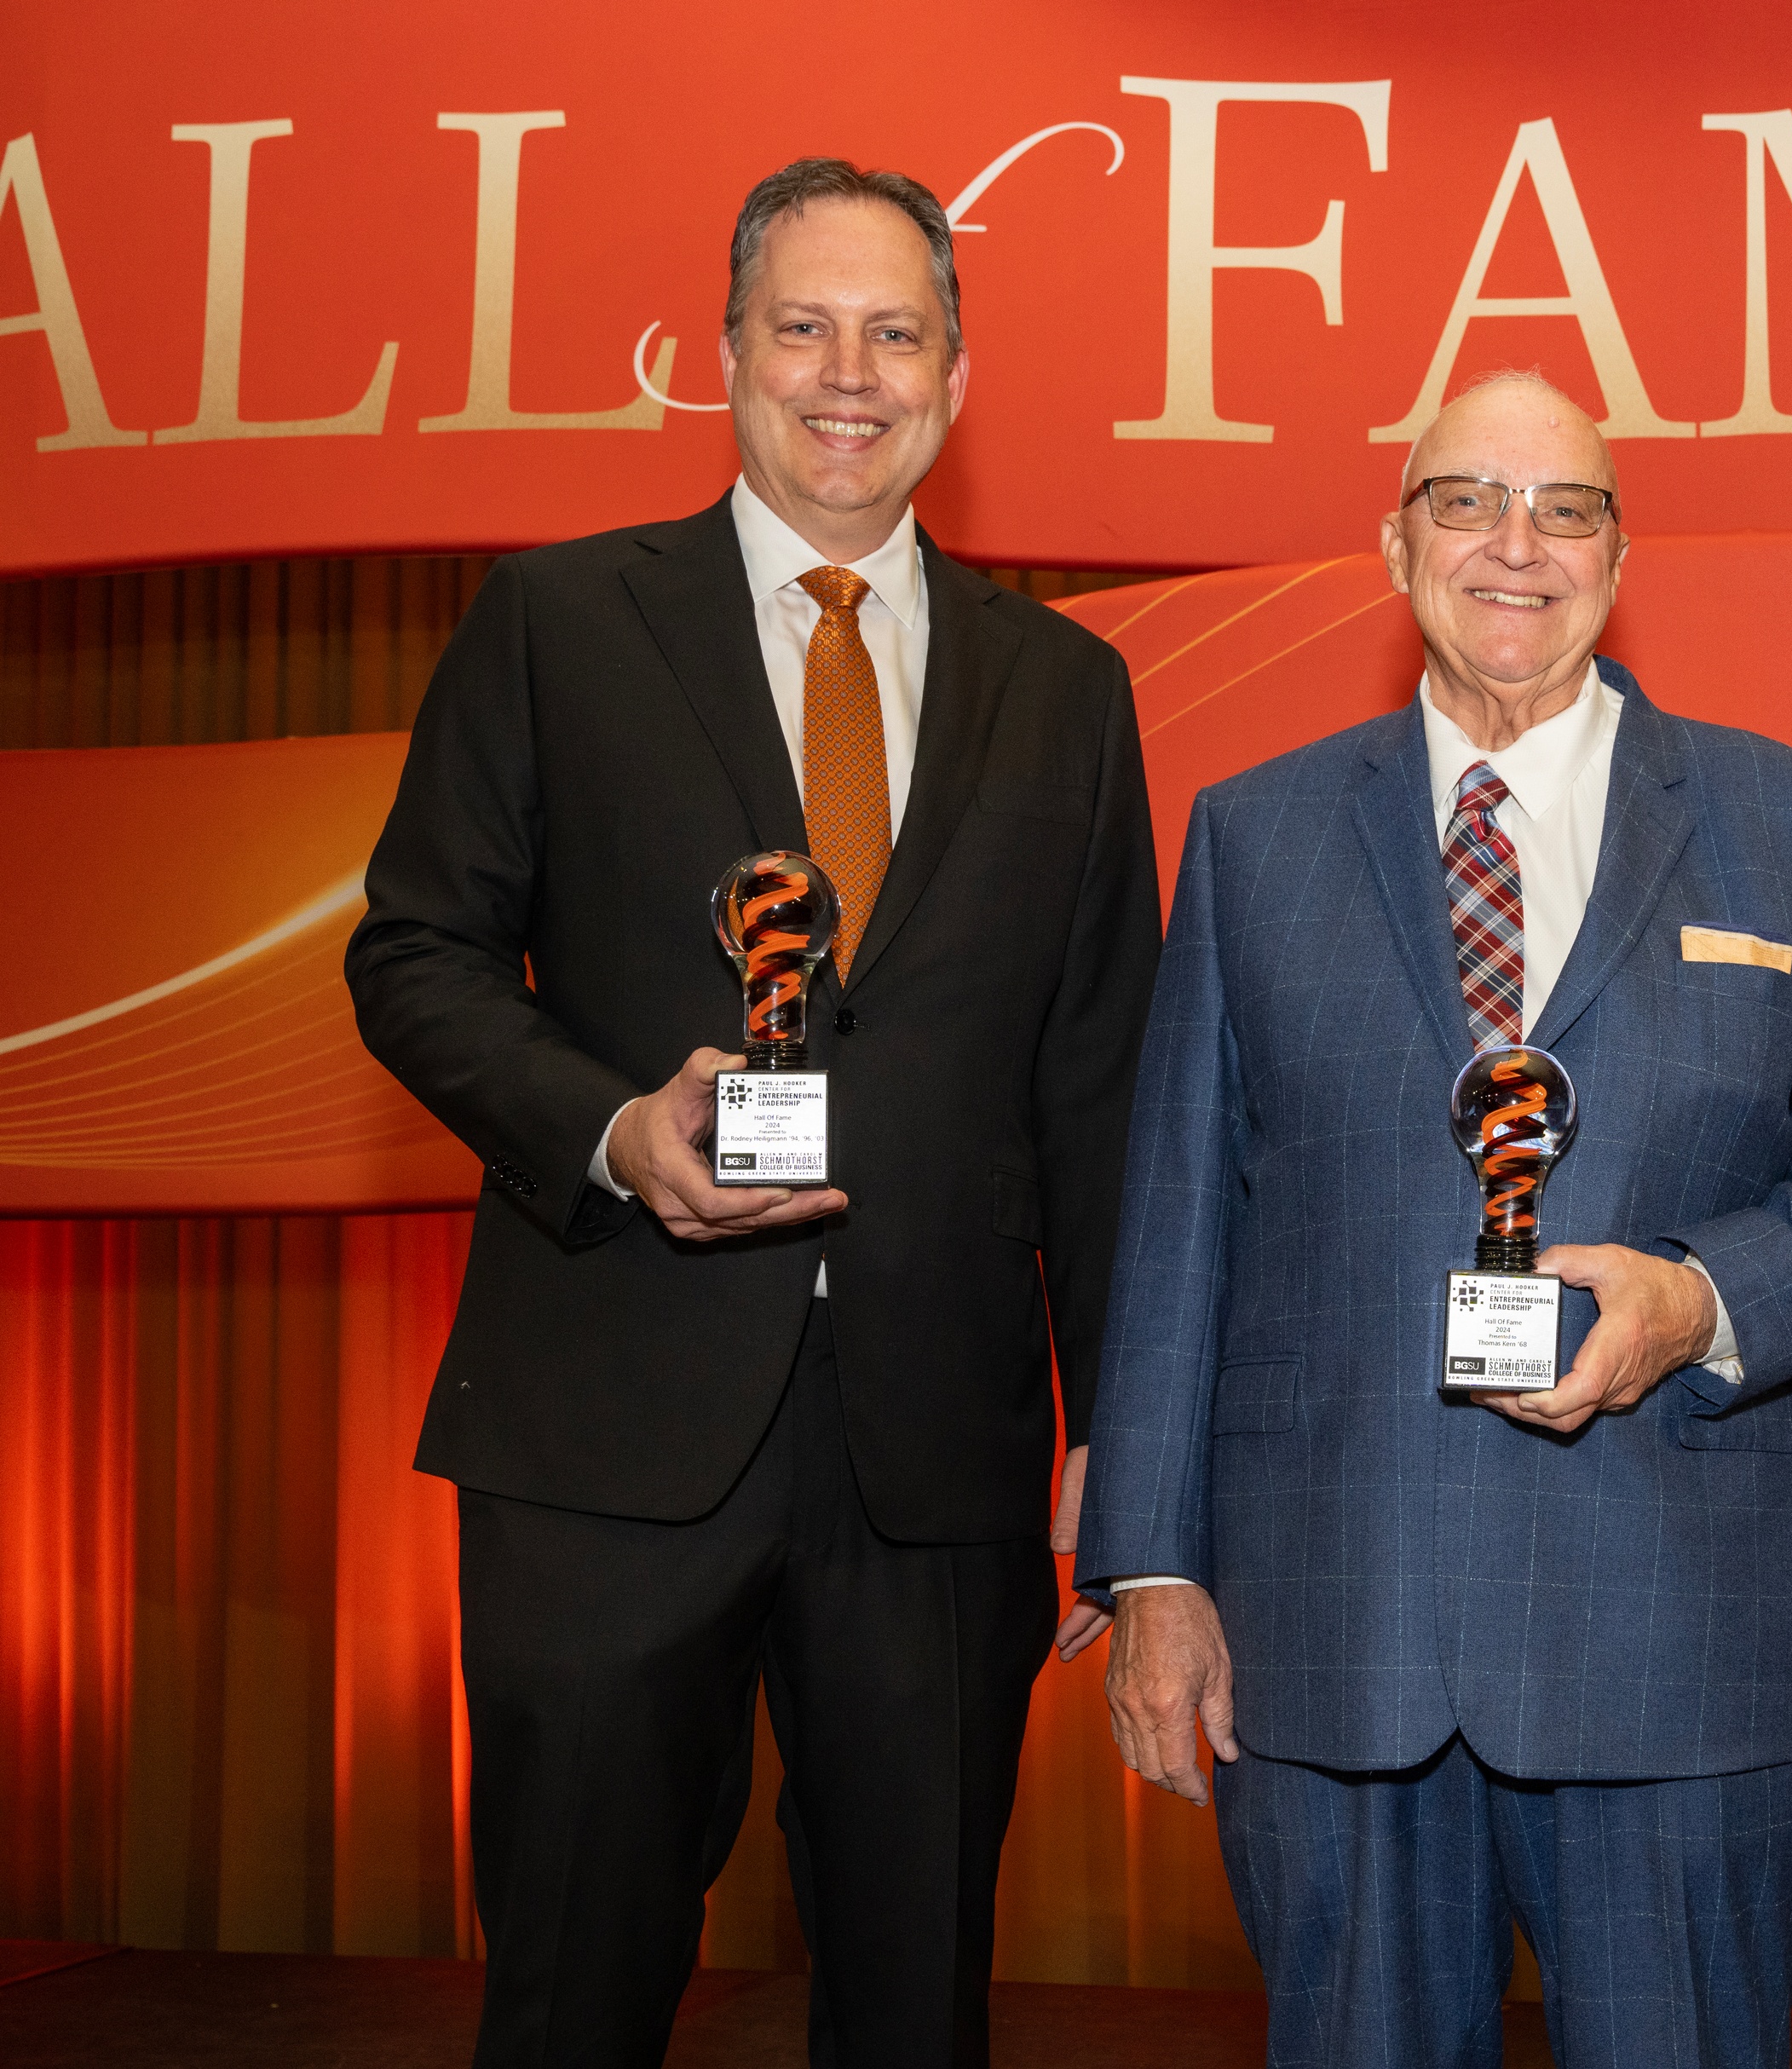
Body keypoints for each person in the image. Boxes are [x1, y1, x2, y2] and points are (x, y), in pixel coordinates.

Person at [345, 158, 1158, 2067]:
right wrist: (617, 1129)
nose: (847, 371)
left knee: (916, 2009)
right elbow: (417, 957)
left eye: (897, 332)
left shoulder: (1070, 689)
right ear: (725, 357)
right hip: (606, 1439)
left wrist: (1122, 1438)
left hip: (936, 1464)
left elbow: (1102, 1084)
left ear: (956, 381)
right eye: (802, 324)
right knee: (570, 1992)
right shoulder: (555, 620)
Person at [1078, 371, 1792, 2068]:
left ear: (1621, 555)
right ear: (1395, 540)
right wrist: (1153, 1565)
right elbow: (1181, 1219)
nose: (1517, 543)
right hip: (1336, 1640)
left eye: (1566, 508)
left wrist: (1701, 1302)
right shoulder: (1254, 837)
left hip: (1682, 1642)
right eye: (1468, 500)